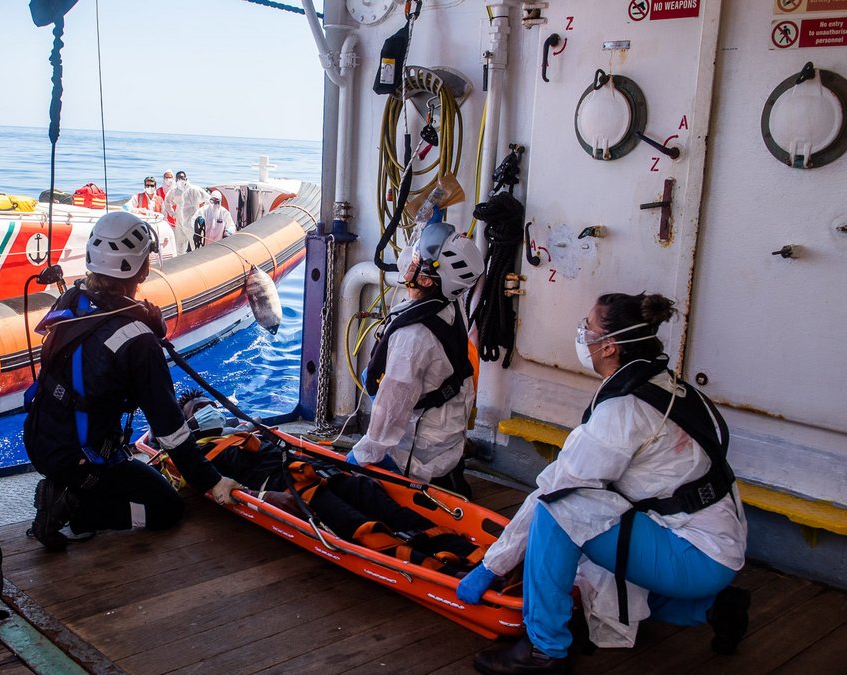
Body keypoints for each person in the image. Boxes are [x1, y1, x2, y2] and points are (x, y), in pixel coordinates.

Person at [457, 292, 750, 675]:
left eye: (587, 328)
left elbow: (555, 491)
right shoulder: (668, 387)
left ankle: (545, 650)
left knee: (556, 513)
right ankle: (714, 607)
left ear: (609, 346)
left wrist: (493, 567)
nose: (581, 334)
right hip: (716, 543)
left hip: (693, 556)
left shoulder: (623, 411)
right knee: (598, 576)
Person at [22, 211, 243, 550]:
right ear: (141, 269)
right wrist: (211, 483)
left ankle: (69, 491)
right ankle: (75, 509)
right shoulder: (138, 343)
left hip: (41, 439)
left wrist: (148, 326)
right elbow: (170, 429)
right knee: (166, 509)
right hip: (81, 460)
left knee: (140, 479)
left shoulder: (74, 300)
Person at [175, 392, 482, 571]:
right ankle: (445, 572)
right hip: (297, 492)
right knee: (364, 528)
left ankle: (476, 557)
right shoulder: (200, 455)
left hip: (323, 471)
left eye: (208, 404)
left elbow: (294, 446)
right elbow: (221, 488)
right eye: (198, 410)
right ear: (189, 425)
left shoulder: (252, 431)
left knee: (395, 513)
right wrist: (266, 498)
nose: (208, 410)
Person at [346, 222, 483, 497]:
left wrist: (362, 456)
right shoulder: (448, 304)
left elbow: (391, 408)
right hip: (447, 435)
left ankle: (400, 480)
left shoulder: (413, 337)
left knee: (353, 468)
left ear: (426, 280)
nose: (409, 264)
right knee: (370, 377)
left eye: (417, 261)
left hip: (419, 453)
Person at [162, 171, 208, 253]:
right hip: (179, 222)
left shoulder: (194, 189)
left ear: (186, 179)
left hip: (192, 222)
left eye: (182, 178)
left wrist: (202, 212)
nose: (180, 180)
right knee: (179, 245)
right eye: (178, 178)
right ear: (175, 180)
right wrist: (172, 214)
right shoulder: (174, 191)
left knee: (195, 244)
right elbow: (167, 202)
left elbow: (208, 198)